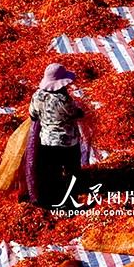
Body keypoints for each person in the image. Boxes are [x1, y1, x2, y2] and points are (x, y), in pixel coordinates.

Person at [28, 64, 86, 209]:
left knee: (49, 172)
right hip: (67, 144)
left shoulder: (37, 96)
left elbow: (33, 116)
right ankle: (69, 204)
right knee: (71, 172)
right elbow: (76, 113)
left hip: (46, 142)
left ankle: (47, 201)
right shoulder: (64, 100)